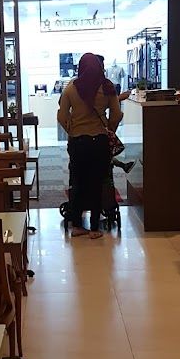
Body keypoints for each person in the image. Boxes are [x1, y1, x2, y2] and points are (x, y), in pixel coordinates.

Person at [57, 52, 122, 238]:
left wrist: (72, 129)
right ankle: (94, 228)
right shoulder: (107, 87)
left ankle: (77, 225)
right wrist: (109, 128)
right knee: (97, 182)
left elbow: (61, 116)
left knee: (77, 181)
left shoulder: (70, 88)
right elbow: (117, 115)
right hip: (99, 142)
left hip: (78, 142)